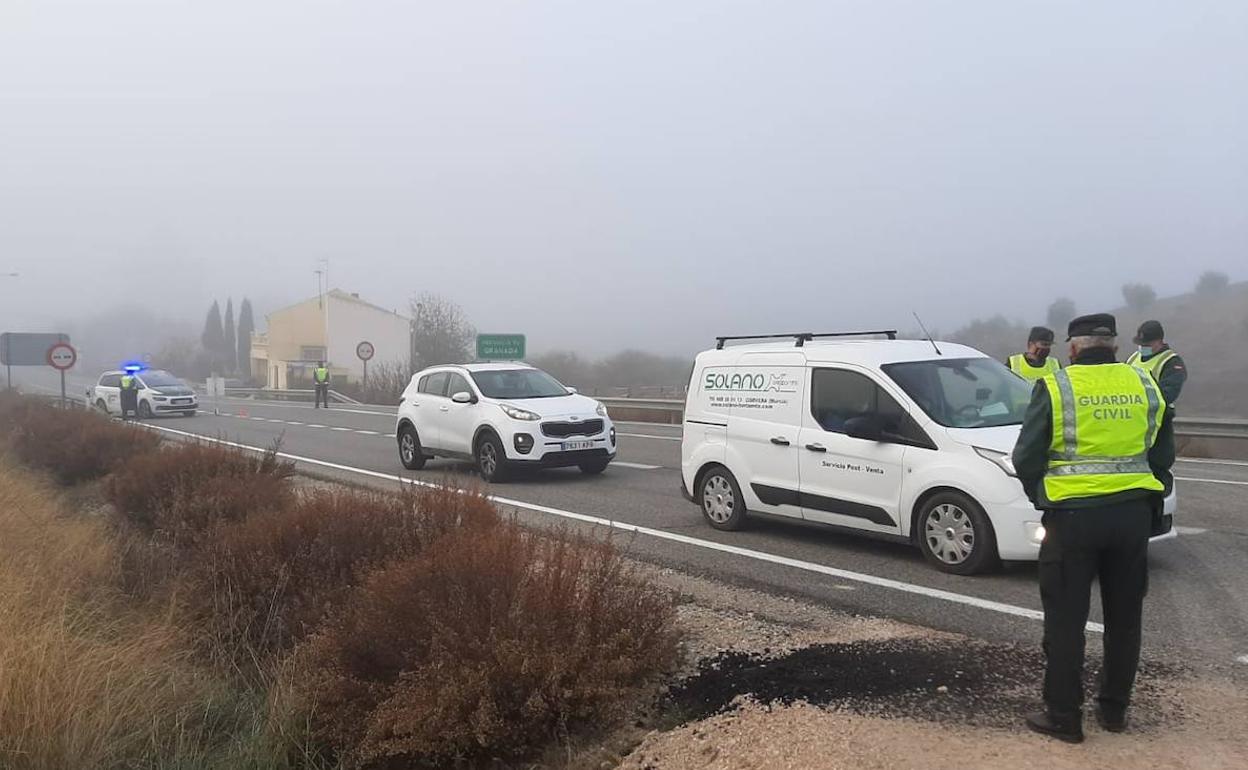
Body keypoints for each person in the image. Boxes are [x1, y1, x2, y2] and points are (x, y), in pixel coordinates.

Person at [1012, 313, 1174, 744]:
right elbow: (1162, 455)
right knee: (1125, 619)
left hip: (1073, 519)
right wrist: (1147, 498)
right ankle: (1115, 712)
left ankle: (1064, 716)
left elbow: (1026, 458)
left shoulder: (1057, 386)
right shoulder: (1144, 384)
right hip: (1132, 517)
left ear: (1073, 348)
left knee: (1066, 620)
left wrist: (1043, 497)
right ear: (1117, 346)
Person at [1125, 320, 1186, 407]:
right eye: (1141, 344)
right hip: (1132, 413)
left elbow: (1168, 394)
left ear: (1159, 341)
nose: (1143, 347)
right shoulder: (1133, 358)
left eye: (1147, 344)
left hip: (1158, 416)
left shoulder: (1172, 362)